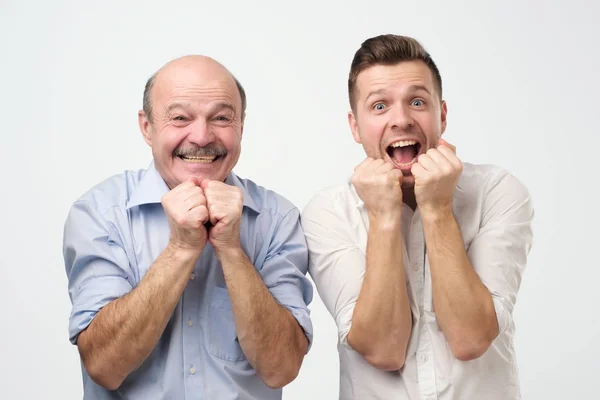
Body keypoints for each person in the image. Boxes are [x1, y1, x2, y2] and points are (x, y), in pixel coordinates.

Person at [62, 55, 313, 400]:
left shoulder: (277, 219)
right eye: (180, 118)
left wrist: (231, 250)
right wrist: (181, 250)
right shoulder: (99, 214)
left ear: (241, 126)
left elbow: (281, 367)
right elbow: (104, 366)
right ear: (147, 127)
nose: (201, 136)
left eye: (221, 118)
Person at [301, 34, 534, 400]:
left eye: (417, 101)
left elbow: (471, 338)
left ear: (441, 114)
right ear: (355, 126)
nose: (402, 120)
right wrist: (383, 215)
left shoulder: (498, 192)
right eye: (379, 107)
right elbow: (383, 349)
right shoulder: (328, 212)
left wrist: (437, 208)